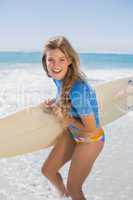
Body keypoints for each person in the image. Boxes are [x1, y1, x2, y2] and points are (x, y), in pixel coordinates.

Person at [41, 36, 105, 200]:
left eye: (61, 59)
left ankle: (70, 194)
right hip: (73, 133)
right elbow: (65, 98)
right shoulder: (59, 78)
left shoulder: (78, 90)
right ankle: (63, 196)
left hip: (91, 139)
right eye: (51, 60)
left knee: (74, 187)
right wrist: (55, 102)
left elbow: (91, 128)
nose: (56, 65)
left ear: (69, 60)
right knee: (48, 170)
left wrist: (67, 119)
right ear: (45, 62)